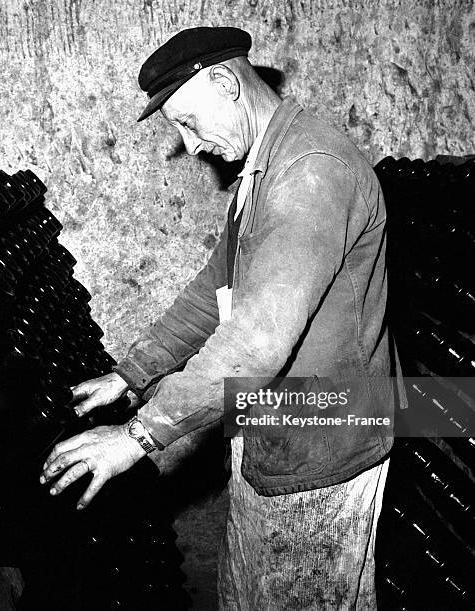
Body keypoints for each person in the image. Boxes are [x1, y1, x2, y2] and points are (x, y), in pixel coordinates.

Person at [40, 26, 407, 609]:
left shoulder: (311, 171)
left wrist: (140, 434)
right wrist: (133, 372)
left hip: (325, 439)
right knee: (246, 594)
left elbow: (256, 341)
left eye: (188, 122)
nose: (189, 146)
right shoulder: (260, 172)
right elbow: (215, 287)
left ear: (224, 82)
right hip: (271, 417)